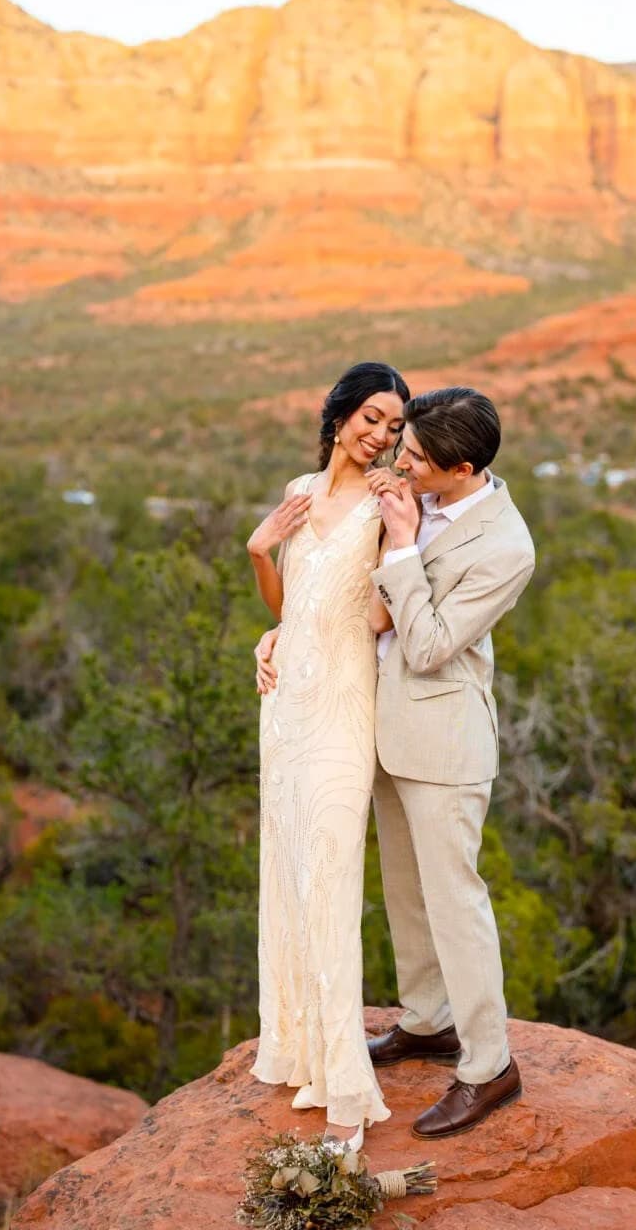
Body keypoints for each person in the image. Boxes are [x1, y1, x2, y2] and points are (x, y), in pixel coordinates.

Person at [246, 360, 410, 1152]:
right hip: (286, 710)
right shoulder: (296, 490)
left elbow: (378, 618)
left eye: (394, 425)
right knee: (289, 876)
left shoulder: (388, 505)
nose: (381, 433)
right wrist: (258, 560)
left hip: (345, 711)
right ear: (340, 415)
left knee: (333, 880)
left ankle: (347, 1087)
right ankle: (301, 1050)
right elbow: (292, 603)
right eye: (372, 416)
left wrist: (402, 537)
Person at [363, 386, 535, 1139]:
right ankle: (427, 1020)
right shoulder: (418, 488)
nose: (400, 464)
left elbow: (431, 647)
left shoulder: (506, 548)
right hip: (384, 728)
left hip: (444, 741)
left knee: (456, 902)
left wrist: (399, 542)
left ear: (461, 468)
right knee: (405, 890)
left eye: (416, 461)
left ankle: (488, 1065)